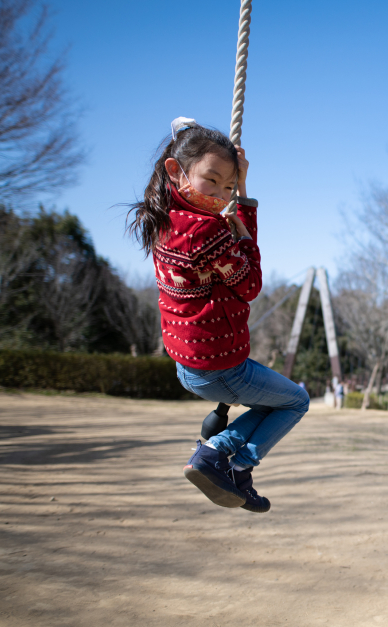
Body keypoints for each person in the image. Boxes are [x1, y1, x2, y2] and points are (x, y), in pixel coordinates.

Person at [126, 117, 309, 514]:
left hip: (188, 362)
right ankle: (223, 456)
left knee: (269, 405)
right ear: (175, 171)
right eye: (212, 181)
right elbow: (250, 284)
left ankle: (238, 473)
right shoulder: (205, 232)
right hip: (220, 367)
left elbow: (233, 257)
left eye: (228, 186)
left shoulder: (165, 217)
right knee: (295, 401)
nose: (220, 194)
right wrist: (243, 196)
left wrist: (228, 182)